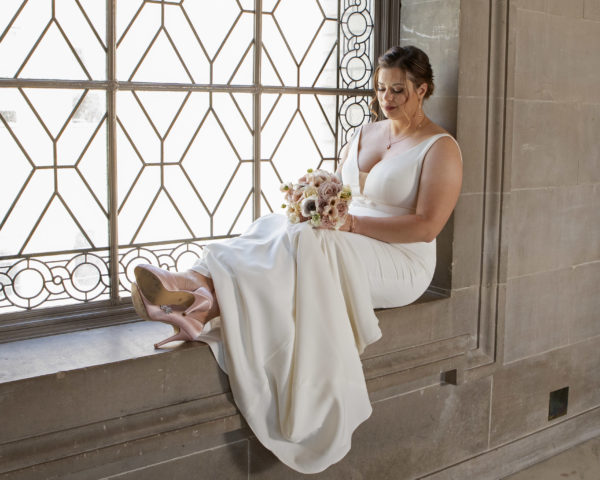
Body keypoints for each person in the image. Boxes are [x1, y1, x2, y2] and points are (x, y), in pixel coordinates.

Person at [131, 45, 462, 474]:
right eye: (381, 88)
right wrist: (317, 200)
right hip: (350, 238)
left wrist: (350, 225)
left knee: (310, 243)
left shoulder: (440, 147)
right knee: (276, 223)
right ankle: (194, 282)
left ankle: (204, 300)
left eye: (398, 90)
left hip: (401, 258)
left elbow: (427, 226)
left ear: (423, 89)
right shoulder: (365, 133)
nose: (387, 98)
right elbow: (343, 196)